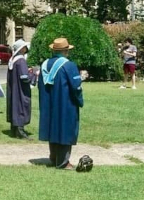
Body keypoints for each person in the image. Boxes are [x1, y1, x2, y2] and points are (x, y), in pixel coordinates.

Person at [38, 38, 92, 172]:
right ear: (65, 51)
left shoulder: (44, 65)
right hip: (65, 104)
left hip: (48, 104)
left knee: (53, 128)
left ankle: (53, 157)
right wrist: (79, 99)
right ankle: (63, 162)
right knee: (65, 129)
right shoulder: (69, 65)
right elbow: (76, 86)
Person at [7, 39, 34, 139]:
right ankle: (20, 131)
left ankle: (14, 129)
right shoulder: (21, 60)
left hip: (14, 88)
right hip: (21, 89)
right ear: (22, 49)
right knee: (22, 106)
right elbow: (24, 77)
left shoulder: (13, 60)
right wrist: (32, 74)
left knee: (15, 106)